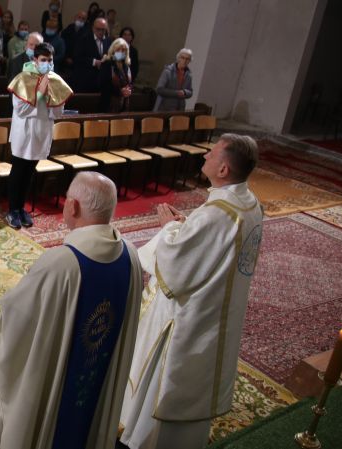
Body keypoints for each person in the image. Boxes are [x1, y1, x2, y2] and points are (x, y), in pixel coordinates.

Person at [0, 171, 143, 449]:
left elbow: (18, 322)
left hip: (56, 393)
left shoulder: (61, 263)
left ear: (73, 206)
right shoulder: (130, 256)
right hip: (95, 386)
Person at [120, 134, 263, 449]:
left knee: (168, 385)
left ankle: (145, 439)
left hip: (191, 315)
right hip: (218, 312)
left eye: (211, 154)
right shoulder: (250, 203)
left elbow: (177, 268)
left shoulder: (216, 213)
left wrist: (169, 227)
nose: (204, 157)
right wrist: (188, 226)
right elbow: (216, 247)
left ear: (223, 170)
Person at [6, 42, 73, 229]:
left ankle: (21, 208)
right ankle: (12, 210)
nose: (47, 64)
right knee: (18, 172)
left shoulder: (55, 80)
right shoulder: (23, 78)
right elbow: (20, 110)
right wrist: (40, 94)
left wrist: (54, 100)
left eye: (50, 60)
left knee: (29, 173)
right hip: (24, 132)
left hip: (42, 132)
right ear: (35, 60)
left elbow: (58, 114)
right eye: (43, 60)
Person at [73, 17, 110, 93]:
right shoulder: (84, 39)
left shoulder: (108, 41)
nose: (100, 32)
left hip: (102, 80)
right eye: (98, 29)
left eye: (103, 30)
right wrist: (94, 62)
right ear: (93, 28)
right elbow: (77, 58)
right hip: (86, 79)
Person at [99, 37, 133, 113]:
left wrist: (129, 89)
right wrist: (120, 91)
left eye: (123, 50)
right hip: (109, 103)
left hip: (124, 103)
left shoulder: (126, 65)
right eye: (118, 50)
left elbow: (130, 82)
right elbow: (103, 85)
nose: (121, 52)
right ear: (113, 50)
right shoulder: (107, 63)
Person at [60, 10, 87, 77]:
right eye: (79, 17)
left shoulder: (87, 33)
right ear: (75, 18)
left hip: (79, 63)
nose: (81, 20)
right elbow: (63, 45)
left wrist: (75, 60)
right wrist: (66, 57)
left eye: (83, 18)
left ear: (85, 20)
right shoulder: (67, 30)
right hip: (66, 61)